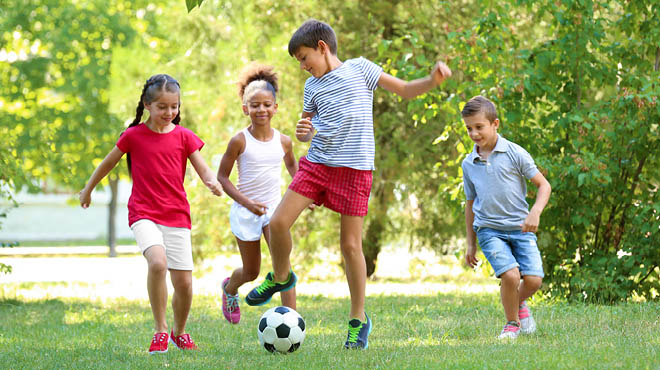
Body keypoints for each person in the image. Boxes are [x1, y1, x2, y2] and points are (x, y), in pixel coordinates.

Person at [245, 19, 452, 349]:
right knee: (279, 222)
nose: (302, 67)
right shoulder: (312, 87)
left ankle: (358, 320)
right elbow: (309, 127)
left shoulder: (361, 69)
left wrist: (432, 80)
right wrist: (304, 133)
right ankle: (280, 276)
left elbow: (404, 89)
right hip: (317, 165)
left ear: (322, 48)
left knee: (350, 246)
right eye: (298, 61)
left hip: (355, 171)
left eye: (303, 57)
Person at [79, 74, 223, 354]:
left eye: (174, 107)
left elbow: (202, 167)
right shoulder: (133, 136)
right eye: (162, 107)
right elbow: (107, 164)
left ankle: (179, 332)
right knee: (157, 263)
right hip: (143, 212)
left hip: (177, 214)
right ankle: (159, 330)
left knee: (184, 284)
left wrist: (211, 181)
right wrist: (88, 189)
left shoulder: (184, 136)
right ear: (147, 105)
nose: (169, 113)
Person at [461, 95, 551, 339]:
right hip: (489, 229)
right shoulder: (468, 163)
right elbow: (470, 204)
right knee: (510, 275)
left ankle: (517, 303)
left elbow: (544, 186)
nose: (474, 133)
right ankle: (511, 323)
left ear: (495, 124)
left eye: (479, 127)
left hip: (521, 227)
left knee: (533, 280)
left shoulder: (514, 153)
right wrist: (471, 243)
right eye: (469, 128)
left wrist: (535, 212)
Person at [216, 63, 299, 324]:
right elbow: (222, 178)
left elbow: (293, 168)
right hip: (245, 211)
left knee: (283, 266)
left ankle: (292, 319)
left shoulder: (284, 141)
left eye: (266, 104)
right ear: (245, 108)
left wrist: (303, 196)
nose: (261, 110)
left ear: (275, 107)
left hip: (275, 211)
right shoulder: (239, 141)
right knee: (252, 271)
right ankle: (230, 288)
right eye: (254, 105)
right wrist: (247, 203)